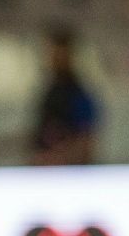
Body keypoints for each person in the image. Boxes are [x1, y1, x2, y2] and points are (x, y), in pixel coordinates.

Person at [30, 26, 99, 166]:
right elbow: (42, 133)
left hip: (67, 175)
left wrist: (58, 159)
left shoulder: (78, 94)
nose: (51, 58)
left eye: (56, 53)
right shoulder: (51, 91)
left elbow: (86, 142)